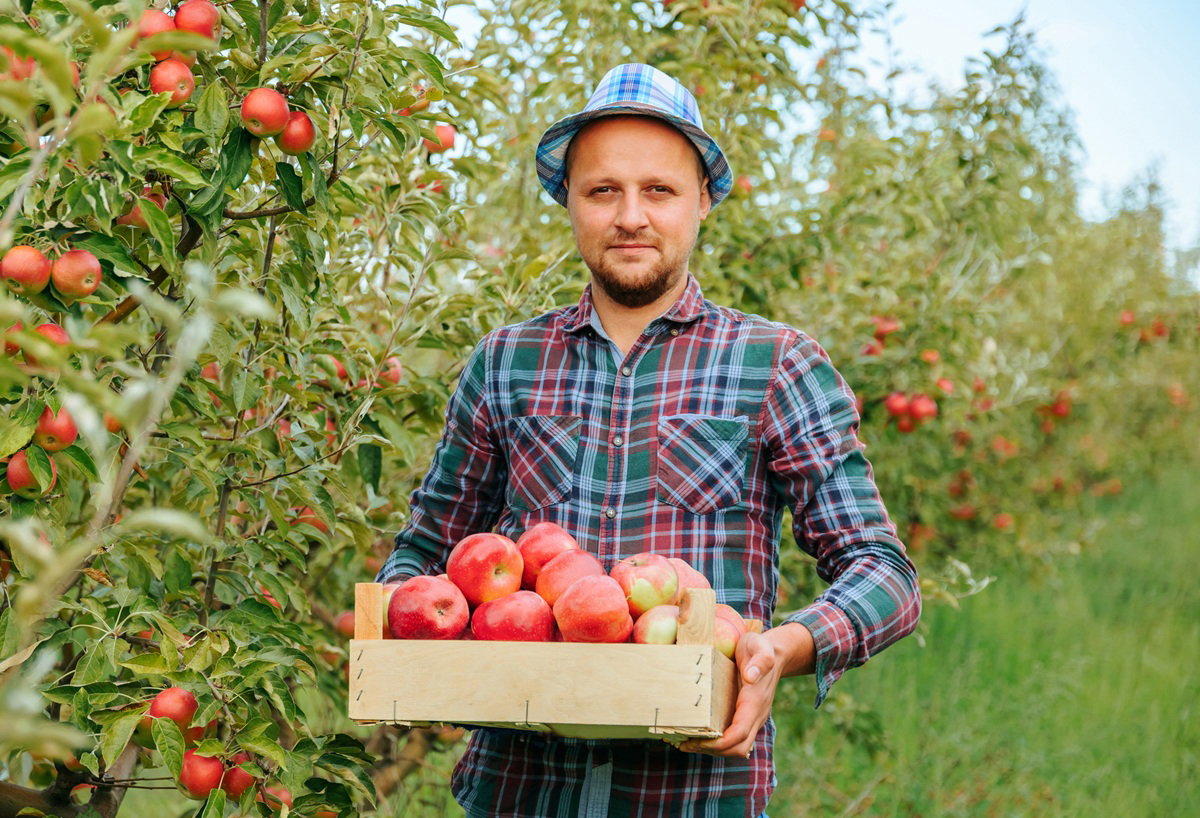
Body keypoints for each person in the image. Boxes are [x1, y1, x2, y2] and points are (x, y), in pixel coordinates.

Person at [377, 62, 921, 817]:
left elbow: (884, 574)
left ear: (703, 200)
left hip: (692, 793)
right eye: (603, 190)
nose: (631, 215)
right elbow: (424, 553)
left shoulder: (776, 365)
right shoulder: (505, 363)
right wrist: (409, 635)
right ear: (569, 200)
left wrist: (781, 649)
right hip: (520, 791)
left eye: (658, 190)